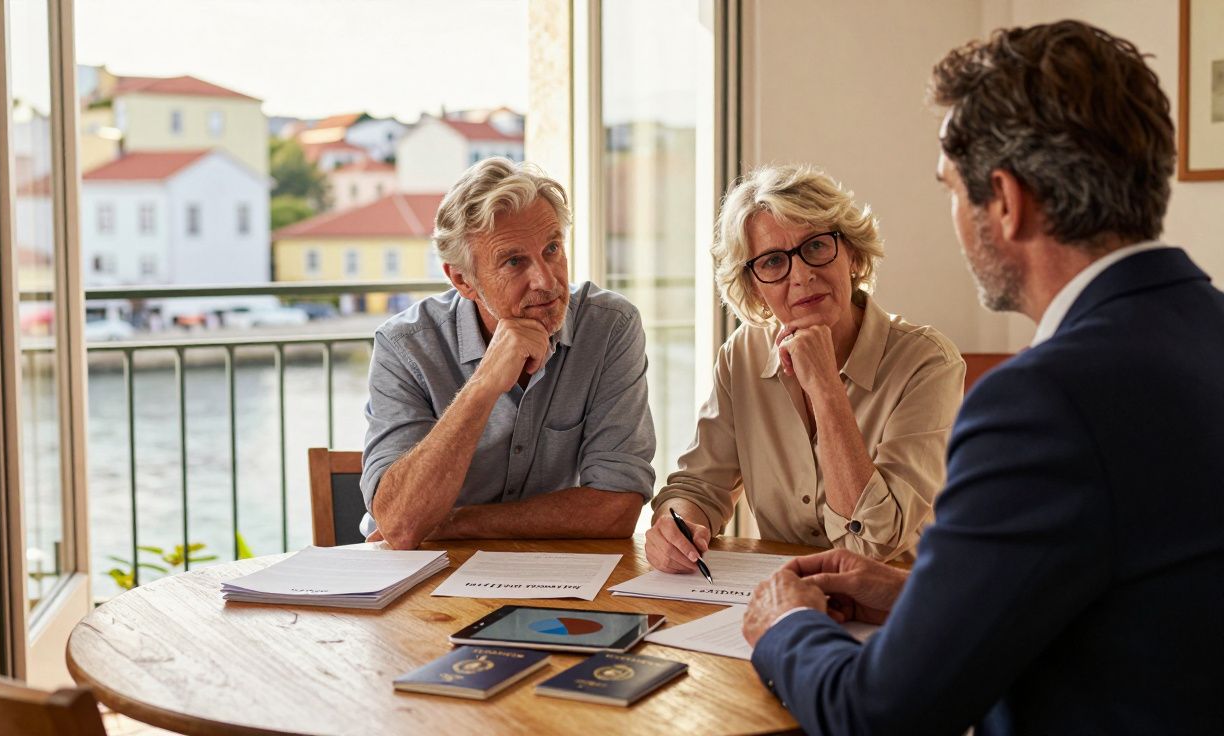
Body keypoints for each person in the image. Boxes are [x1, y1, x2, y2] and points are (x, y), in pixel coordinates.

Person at [743, 20, 1224, 735]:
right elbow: (1126, 599)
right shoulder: (1206, 329)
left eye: (950, 190)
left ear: (1003, 199)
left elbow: (879, 714)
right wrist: (916, 597)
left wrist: (784, 628)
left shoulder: (1040, 406)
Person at [646, 164, 964, 572]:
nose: (802, 275)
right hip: (781, 597)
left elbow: (873, 543)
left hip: (893, 610)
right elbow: (700, 486)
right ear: (754, 286)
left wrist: (826, 387)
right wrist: (677, 525)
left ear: (851, 253)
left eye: (815, 246)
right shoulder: (740, 356)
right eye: (774, 262)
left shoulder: (928, 362)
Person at [361, 158, 656, 550]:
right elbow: (400, 525)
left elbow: (617, 507)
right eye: (514, 261)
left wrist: (456, 522)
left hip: (546, 572)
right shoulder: (405, 346)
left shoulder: (609, 327)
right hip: (421, 577)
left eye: (552, 248)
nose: (547, 280)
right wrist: (482, 386)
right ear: (463, 279)